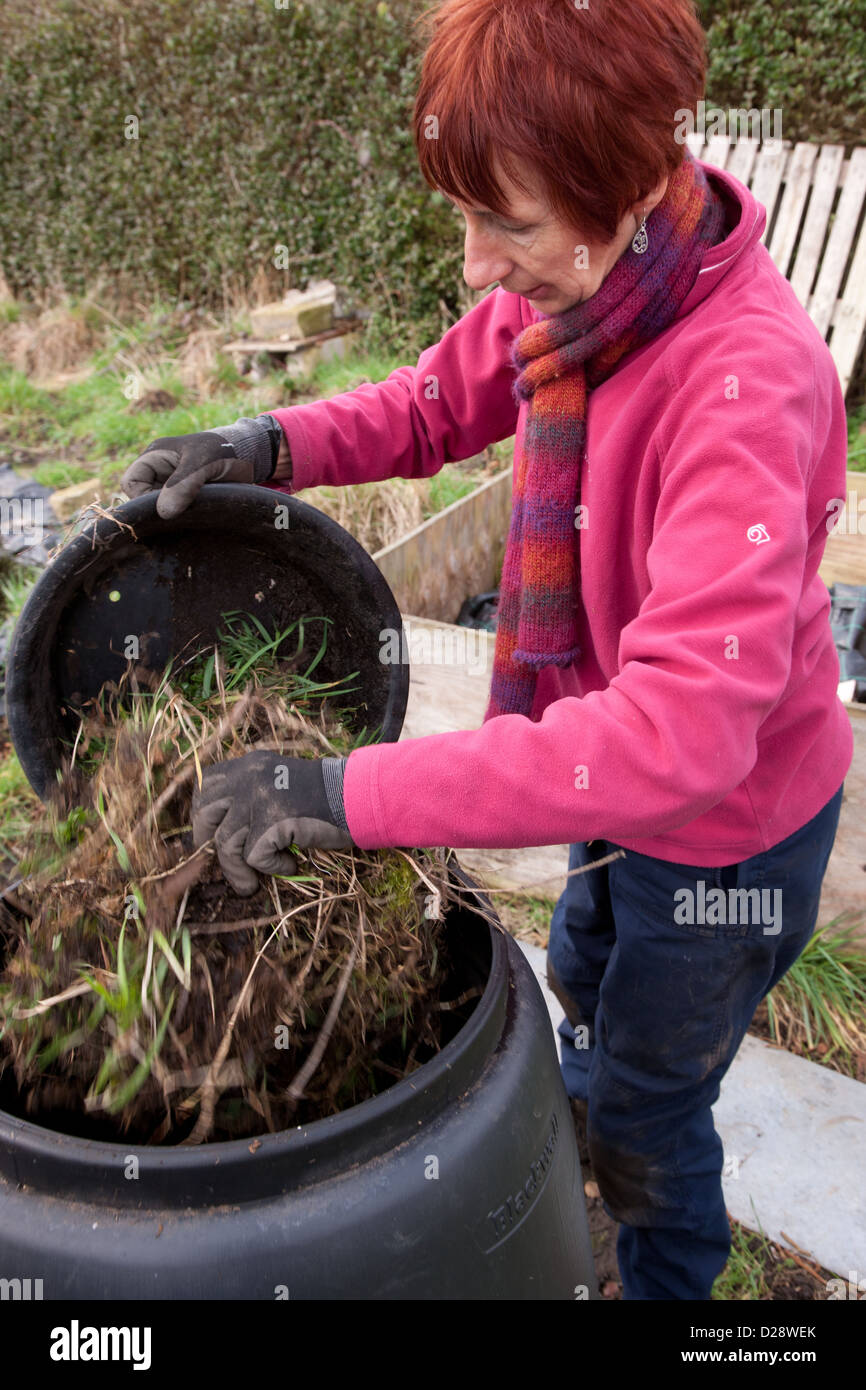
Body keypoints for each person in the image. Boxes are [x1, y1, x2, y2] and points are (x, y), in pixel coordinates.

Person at [120, 0, 853, 1300]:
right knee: (582, 959)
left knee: (650, 1098)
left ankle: (662, 1265)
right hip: (614, 798)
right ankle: (590, 1097)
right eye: (463, 214)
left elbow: (676, 737)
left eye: (504, 223)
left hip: (727, 835)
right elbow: (430, 397)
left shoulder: (745, 385)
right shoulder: (590, 299)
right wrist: (262, 446)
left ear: (624, 182)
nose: (471, 265)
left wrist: (344, 796)